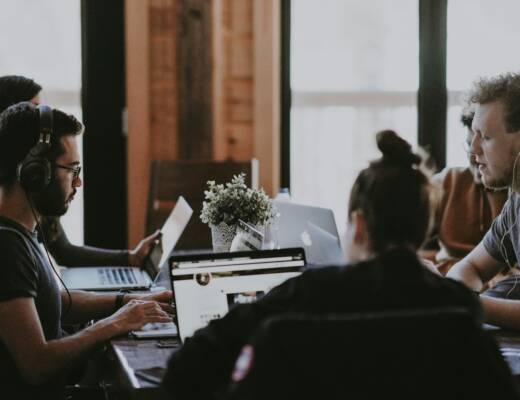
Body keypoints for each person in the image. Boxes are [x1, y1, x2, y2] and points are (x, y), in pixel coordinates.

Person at [162, 130, 482, 399]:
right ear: (424, 227)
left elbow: (186, 366)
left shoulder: (303, 295)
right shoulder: (460, 307)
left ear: (357, 226)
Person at [0, 102, 172, 399]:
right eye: (72, 169)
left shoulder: (22, 231)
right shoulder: (7, 246)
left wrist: (130, 300)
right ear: (33, 172)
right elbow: (36, 364)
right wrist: (116, 323)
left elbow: (55, 301)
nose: (78, 181)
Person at [0, 75, 159, 268]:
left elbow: (65, 252)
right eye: (34, 110)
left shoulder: (41, 182)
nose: (45, 123)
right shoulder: (12, 223)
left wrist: (130, 258)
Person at [447, 72, 520, 329]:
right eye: (473, 135)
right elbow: (470, 267)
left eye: (486, 137)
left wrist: (466, 301)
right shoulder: (516, 202)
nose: (474, 151)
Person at [422, 106, 508, 275]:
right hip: (453, 280)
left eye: (485, 143)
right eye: (469, 145)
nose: (473, 156)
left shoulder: (515, 196)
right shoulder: (447, 182)